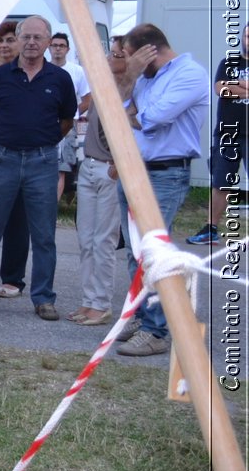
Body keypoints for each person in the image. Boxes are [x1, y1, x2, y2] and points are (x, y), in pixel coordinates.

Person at [0, 15, 76, 320]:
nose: (32, 43)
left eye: (39, 37)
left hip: (42, 161)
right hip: (2, 159)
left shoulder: (60, 80)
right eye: (27, 37)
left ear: (50, 42)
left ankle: (43, 298)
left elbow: (65, 121)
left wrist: (43, 143)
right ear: (18, 40)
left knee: (44, 235)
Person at [114, 24, 211, 357]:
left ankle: (158, 331)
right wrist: (130, 81)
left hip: (164, 174)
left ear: (149, 51)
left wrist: (131, 109)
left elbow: (151, 118)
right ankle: (143, 316)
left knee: (153, 253)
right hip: (133, 170)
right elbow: (118, 107)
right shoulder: (143, 76)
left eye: (128, 56)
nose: (125, 63)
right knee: (135, 252)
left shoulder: (190, 75)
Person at [68, 41, 129, 326]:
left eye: (115, 54)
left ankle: (101, 304)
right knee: (86, 239)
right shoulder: (100, 89)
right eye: (109, 53)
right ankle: (88, 300)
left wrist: (118, 166)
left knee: (103, 240)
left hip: (108, 170)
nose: (109, 58)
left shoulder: (130, 92)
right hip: (89, 166)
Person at [186, 51, 248, 245]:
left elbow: (228, 88)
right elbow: (221, 89)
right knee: (221, 183)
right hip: (227, 132)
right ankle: (210, 229)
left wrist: (237, 85)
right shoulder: (229, 62)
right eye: (247, 35)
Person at [48, 32, 91, 200]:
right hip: (45, 123)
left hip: (67, 125)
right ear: (49, 48)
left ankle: (54, 207)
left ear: (67, 49)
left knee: (62, 168)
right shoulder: (42, 68)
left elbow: (88, 98)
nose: (58, 49)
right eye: (55, 45)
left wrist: (71, 112)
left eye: (61, 46)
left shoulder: (77, 71)